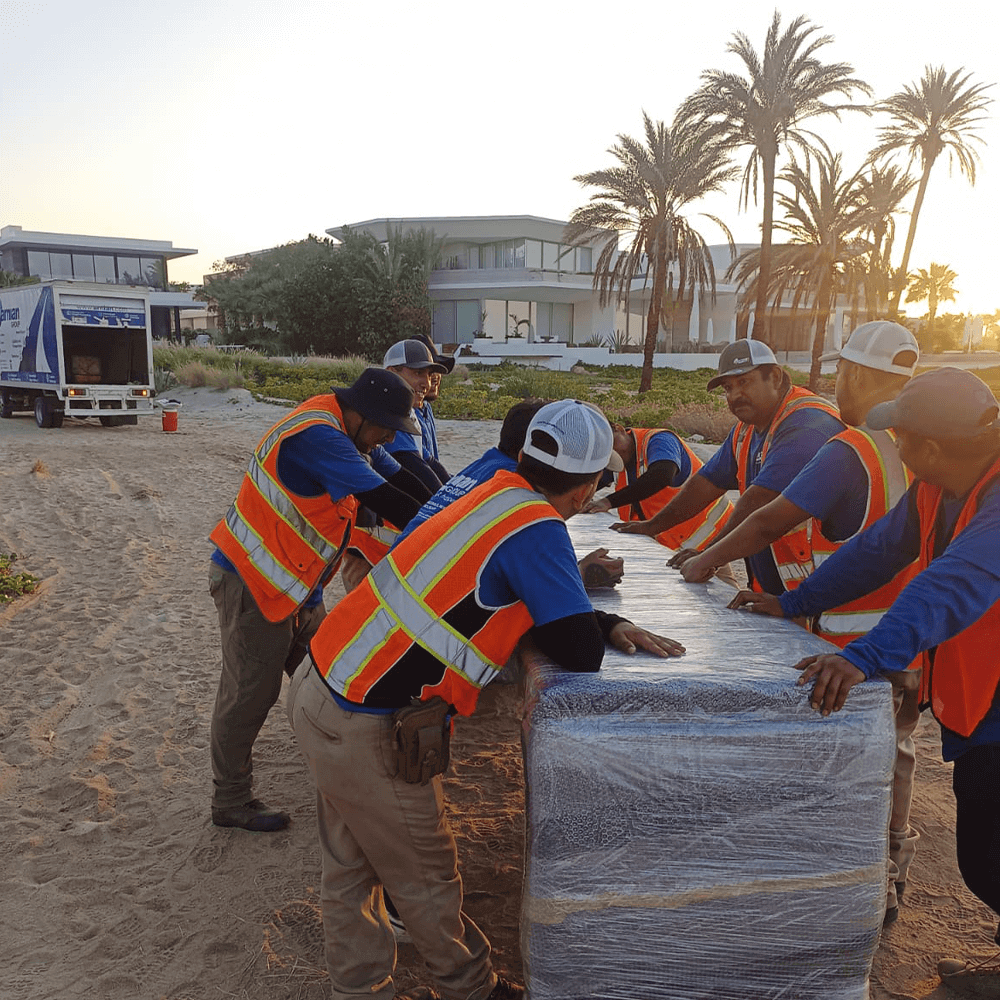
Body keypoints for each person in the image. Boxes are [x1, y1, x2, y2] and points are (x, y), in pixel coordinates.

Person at [287, 399, 686, 1000]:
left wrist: (589, 617)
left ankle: (358, 987)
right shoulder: (539, 528)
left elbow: (491, 596)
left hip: (321, 684)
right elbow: (578, 650)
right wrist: (600, 622)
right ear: (589, 488)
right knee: (427, 875)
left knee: (351, 864)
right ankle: (474, 988)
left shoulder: (490, 487)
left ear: (525, 453)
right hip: (365, 721)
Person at [730, 367, 1000, 986]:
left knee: (988, 856)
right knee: (988, 847)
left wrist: (862, 657)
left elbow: (951, 583)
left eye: (900, 435)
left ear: (929, 448)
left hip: (997, 698)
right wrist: (795, 602)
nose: (893, 446)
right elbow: (879, 550)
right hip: (980, 692)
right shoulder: (939, 485)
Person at [678, 321, 922, 923]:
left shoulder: (848, 447)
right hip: (912, 641)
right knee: (896, 757)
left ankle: (847, 885)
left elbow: (769, 517)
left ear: (857, 374)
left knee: (844, 772)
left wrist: (702, 563)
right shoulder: (918, 447)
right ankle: (891, 875)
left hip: (847, 647)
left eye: (841, 369)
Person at [207, 369, 432, 832]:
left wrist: (448, 504)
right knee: (250, 694)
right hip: (254, 581)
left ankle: (342, 767)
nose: (389, 439)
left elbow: (408, 476)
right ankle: (229, 800)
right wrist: (445, 531)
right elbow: (386, 498)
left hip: (296, 585)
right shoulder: (321, 438)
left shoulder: (352, 432)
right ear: (362, 416)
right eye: (386, 428)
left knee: (328, 676)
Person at [613, 339, 844, 597]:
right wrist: (651, 526)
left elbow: (760, 502)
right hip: (782, 597)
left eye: (744, 382)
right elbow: (706, 483)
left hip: (820, 599)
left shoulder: (807, 424)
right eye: (727, 388)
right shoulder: (746, 430)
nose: (734, 396)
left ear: (775, 378)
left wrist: (709, 555)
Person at [585, 422, 734, 551]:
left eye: (613, 444)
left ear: (619, 429)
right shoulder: (618, 459)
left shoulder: (660, 440)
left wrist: (608, 501)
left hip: (710, 533)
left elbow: (662, 475)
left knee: (720, 582)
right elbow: (591, 482)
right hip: (674, 545)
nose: (614, 453)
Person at [383, 338, 450, 493]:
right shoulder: (389, 415)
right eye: (418, 373)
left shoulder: (410, 415)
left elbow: (430, 464)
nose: (426, 384)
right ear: (392, 373)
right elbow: (417, 470)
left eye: (428, 374)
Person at [410, 333, 453, 482]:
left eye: (435, 370)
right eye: (421, 372)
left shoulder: (426, 408)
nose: (434, 377)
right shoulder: (405, 413)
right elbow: (423, 465)